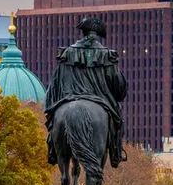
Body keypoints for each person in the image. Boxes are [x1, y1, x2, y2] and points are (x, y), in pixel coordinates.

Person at [44, 18, 127, 169]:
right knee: (118, 120)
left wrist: (50, 108)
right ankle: (116, 153)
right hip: (100, 99)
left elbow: (55, 82)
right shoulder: (107, 55)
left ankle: (52, 150)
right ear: (97, 35)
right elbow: (117, 84)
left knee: (55, 119)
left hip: (69, 96)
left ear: (82, 33)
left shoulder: (67, 53)